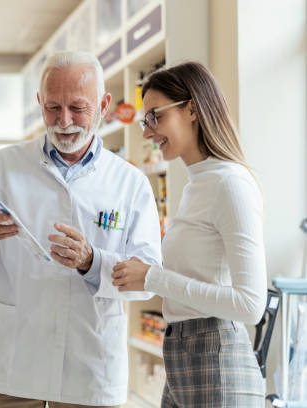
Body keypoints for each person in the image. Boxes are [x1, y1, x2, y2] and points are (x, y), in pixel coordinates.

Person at [0, 51, 162, 407]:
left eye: (78, 108)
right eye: (52, 107)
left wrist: (93, 261)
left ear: (104, 105)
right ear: (39, 103)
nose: (64, 121)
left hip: (88, 369)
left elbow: (147, 280)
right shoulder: (2, 166)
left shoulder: (130, 184)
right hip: (8, 365)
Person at [111, 61, 267, 407]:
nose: (147, 132)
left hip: (217, 360)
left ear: (192, 109)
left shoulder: (231, 184)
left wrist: (153, 277)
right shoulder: (198, 183)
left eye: (155, 116)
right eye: (144, 121)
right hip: (184, 355)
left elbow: (250, 304)